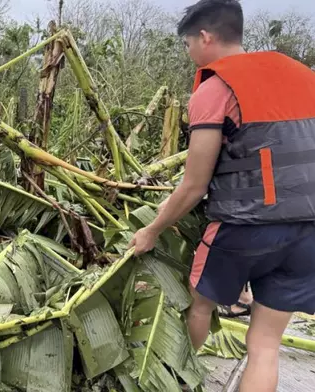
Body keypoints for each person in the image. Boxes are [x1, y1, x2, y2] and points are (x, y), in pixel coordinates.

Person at [129, 1, 315, 391]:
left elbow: (195, 184)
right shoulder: (304, 76)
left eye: (186, 44)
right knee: (265, 344)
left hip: (244, 227)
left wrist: (152, 230)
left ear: (205, 37)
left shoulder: (216, 88)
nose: (188, 52)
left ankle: (171, 382)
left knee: (198, 305)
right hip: (308, 231)